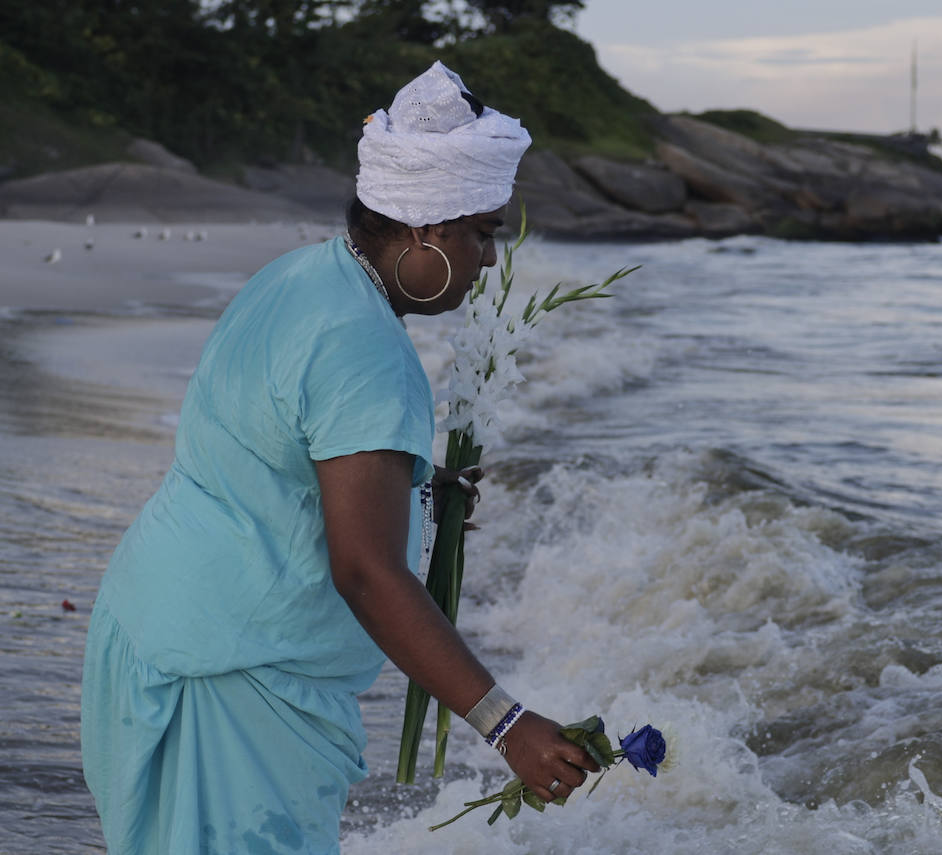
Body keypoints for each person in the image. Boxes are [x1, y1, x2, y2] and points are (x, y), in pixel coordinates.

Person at [80, 62, 598, 854]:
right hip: (231, 677)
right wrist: (507, 723)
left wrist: (412, 477)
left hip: (150, 631)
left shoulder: (301, 276)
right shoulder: (368, 351)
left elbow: (270, 434)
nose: (489, 259)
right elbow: (365, 571)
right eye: (483, 232)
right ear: (426, 229)